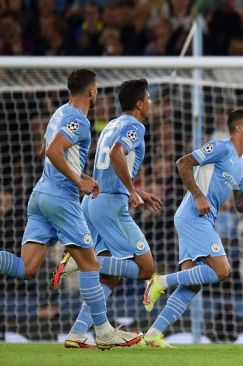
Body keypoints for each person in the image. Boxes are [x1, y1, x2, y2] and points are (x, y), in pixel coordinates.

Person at [0, 69, 143, 349]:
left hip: (40, 195)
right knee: (90, 264)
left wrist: (78, 174)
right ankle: (102, 331)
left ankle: (87, 333)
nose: (98, 92)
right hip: (60, 200)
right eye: (97, 88)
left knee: (26, 268)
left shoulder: (59, 113)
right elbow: (53, 150)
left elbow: (44, 149)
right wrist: (78, 180)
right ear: (91, 91)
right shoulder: (79, 119)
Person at [141, 107, 243, 348]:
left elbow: (241, 204)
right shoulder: (220, 148)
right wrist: (198, 195)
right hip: (192, 216)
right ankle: (160, 281)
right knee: (222, 271)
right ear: (239, 128)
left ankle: (153, 334)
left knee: (192, 283)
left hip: (203, 220)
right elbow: (183, 163)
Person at [51, 79, 163, 348]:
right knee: (147, 269)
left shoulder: (112, 124)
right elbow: (116, 155)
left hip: (93, 201)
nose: (151, 103)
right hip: (111, 205)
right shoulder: (135, 126)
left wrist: (136, 190)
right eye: (148, 98)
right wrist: (131, 192)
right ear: (139, 103)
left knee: (109, 277)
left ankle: (77, 334)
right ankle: (79, 260)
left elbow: (108, 162)